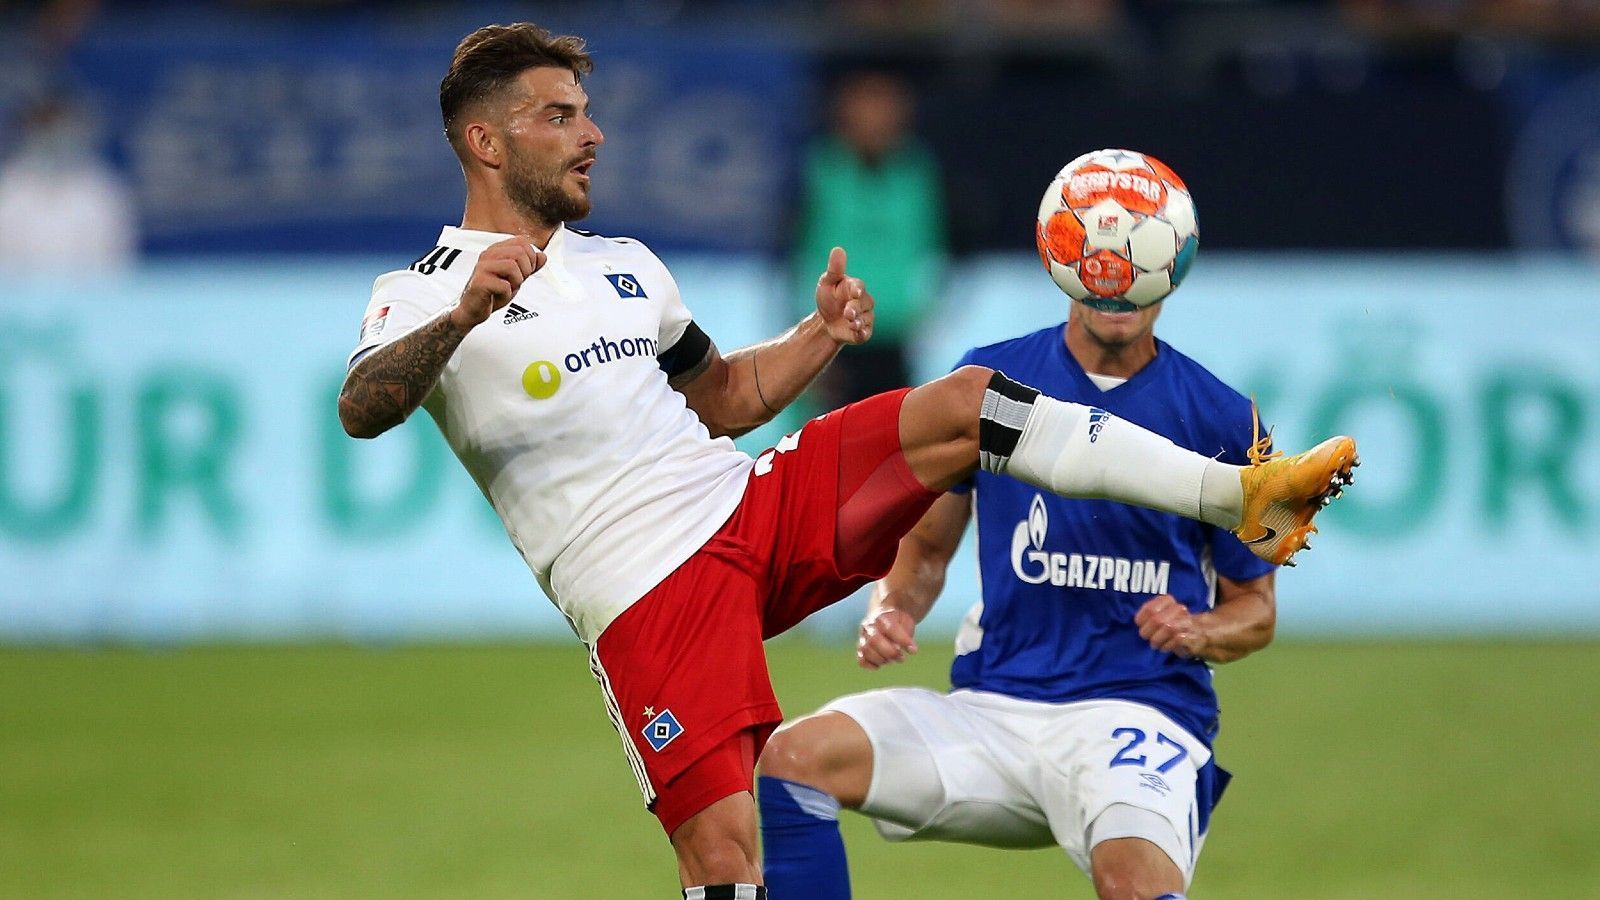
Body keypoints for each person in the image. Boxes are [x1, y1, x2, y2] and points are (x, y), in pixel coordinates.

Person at [337, 23, 1357, 899]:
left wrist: (815, 338)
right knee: (727, 855)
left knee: (963, 406)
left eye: (585, 111)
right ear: (484, 139)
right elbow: (363, 406)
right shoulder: (421, 288)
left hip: (750, 511)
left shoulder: (624, 266)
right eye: (558, 114)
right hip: (648, 592)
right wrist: (467, 315)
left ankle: (1239, 494)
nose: (591, 132)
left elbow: (725, 400)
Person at [756, 296, 1302, 900]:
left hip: (1138, 712)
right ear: (1065, 265)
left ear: (1173, 273)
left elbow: (1256, 609)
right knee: (795, 759)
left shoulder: (1227, 418)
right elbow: (928, 549)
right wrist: (893, 606)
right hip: (994, 709)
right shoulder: (987, 381)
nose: (1120, 288)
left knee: (1135, 883)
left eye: (1138, 273)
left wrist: (1200, 629)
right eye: (1101, 268)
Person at [791, 70, 945, 412]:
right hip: (832, 336)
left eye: (885, 106)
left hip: (895, 337)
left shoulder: (917, 172)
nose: (876, 118)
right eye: (866, 105)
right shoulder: (821, 170)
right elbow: (796, 254)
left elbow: (932, 250)